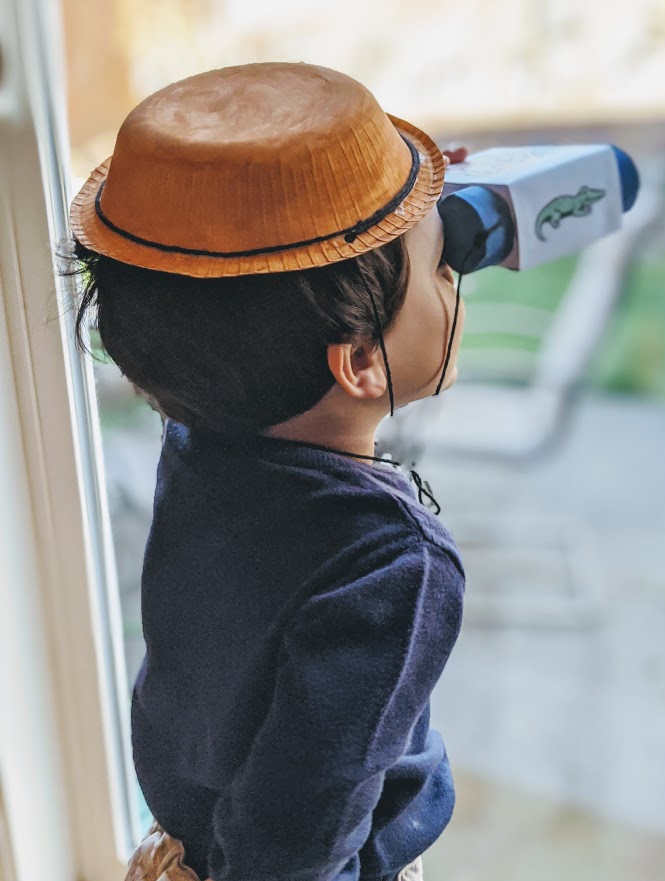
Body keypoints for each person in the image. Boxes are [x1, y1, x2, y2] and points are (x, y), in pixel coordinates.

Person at [59, 61, 468, 881]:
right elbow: (299, 839)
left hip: (190, 841)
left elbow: (233, 288)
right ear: (356, 359)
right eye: (441, 267)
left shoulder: (202, 429)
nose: (457, 276)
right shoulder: (393, 567)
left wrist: (400, 218)